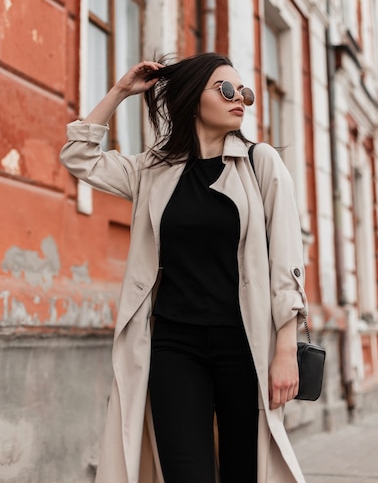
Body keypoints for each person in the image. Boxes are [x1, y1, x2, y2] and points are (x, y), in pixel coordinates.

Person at [60, 52, 308, 483]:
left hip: (245, 345)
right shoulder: (154, 170)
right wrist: (120, 91)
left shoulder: (261, 163)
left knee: (243, 471)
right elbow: (79, 156)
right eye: (226, 89)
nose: (241, 99)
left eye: (244, 91)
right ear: (194, 100)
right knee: (184, 472)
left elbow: (287, 260)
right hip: (176, 345)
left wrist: (286, 350)